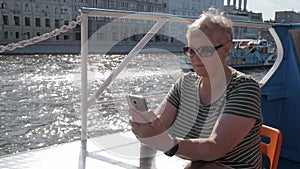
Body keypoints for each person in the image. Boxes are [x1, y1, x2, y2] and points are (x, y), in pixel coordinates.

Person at [129, 7, 263, 169]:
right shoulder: (185, 83)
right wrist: (147, 128)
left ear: (226, 50)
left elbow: (216, 148)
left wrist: (168, 143)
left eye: (205, 50)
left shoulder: (243, 88)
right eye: (191, 51)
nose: (196, 58)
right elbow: (158, 125)